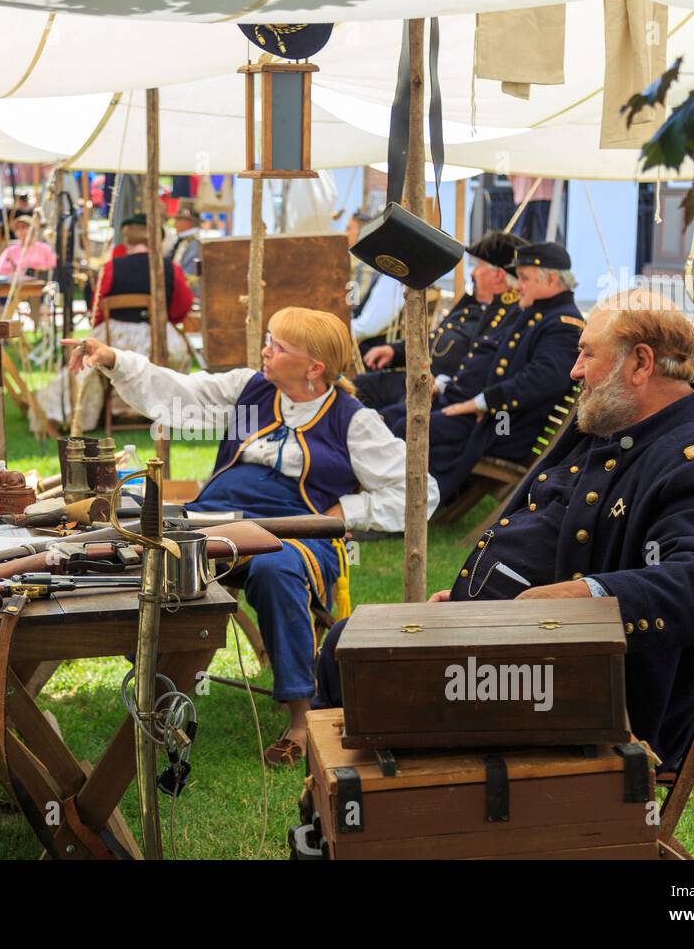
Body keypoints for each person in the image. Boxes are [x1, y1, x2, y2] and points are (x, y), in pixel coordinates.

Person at [316, 291, 694, 771]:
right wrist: (473, 604)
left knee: (356, 659)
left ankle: (380, 817)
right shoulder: (620, 423)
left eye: (587, 354)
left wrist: (583, 596)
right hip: (524, 657)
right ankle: (347, 814)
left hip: (578, 700)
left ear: (641, 364)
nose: (574, 371)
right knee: (349, 645)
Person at [64, 308, 439, 765]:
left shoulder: (351, 420)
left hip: (296, 533)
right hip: (217, 521)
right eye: (268, 340)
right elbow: (180, 392)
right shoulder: (251, 390)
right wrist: (115, 359)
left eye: (278, 346)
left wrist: (348, 510)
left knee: (275, 570)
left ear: (314, 367)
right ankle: (162, 688)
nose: (266, 350)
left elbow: (420, 492)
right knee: (148, 555)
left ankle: (302, 718)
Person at [396, 241, 582, 502]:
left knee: (411, 427)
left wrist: (478, 404)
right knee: (403, 419)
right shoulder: (539, 311)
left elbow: (538, 381)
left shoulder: (564, 324)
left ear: (551, 279)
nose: (517, 286)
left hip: (503, 428)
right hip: (488, 417)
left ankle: (404, 505)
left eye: (524, 278)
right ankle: (399, 500)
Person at [356, 232, 527, 412]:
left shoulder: (505, 317)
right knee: (357, 388)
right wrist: (394, 351)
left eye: (479, 266)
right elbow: (434, 339)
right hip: (415, 380)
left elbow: (478, 368)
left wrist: (441, 386)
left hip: (439, 394)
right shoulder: (470, 305)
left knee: (387, 418)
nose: (473, 272)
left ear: (498, 275)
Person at [90, 212, 193, 371]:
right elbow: (182, 306)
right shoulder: (171, 269)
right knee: (178, 362)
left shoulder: (111, 267)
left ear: (127, 239)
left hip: (115, 340)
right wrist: (165, 319)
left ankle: (109, 394)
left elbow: (97, 307)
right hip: (157, 338)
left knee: (93, 360)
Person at [345, 210, 405, 353]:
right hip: (354, 337)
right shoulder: (353, 265)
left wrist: (334, 329)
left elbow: (367, 326)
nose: (344, 233)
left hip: (369, 352)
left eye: (348, 229)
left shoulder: (388, 275)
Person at [0, 210, 57, 277]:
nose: (20, 230)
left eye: (24, 227)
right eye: (17, 228)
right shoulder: (9, 251)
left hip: (41, 284)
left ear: (33, 229)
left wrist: (34, 270)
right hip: (16, 285)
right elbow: (0, 272)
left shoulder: (45, 248)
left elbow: (54, 269)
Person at [165, 202, 202, 299]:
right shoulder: (185, 242)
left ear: (188, 223)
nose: (174, 223)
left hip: (187, 295)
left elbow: (189, 275)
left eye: (178, 220)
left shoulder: (193, 244)